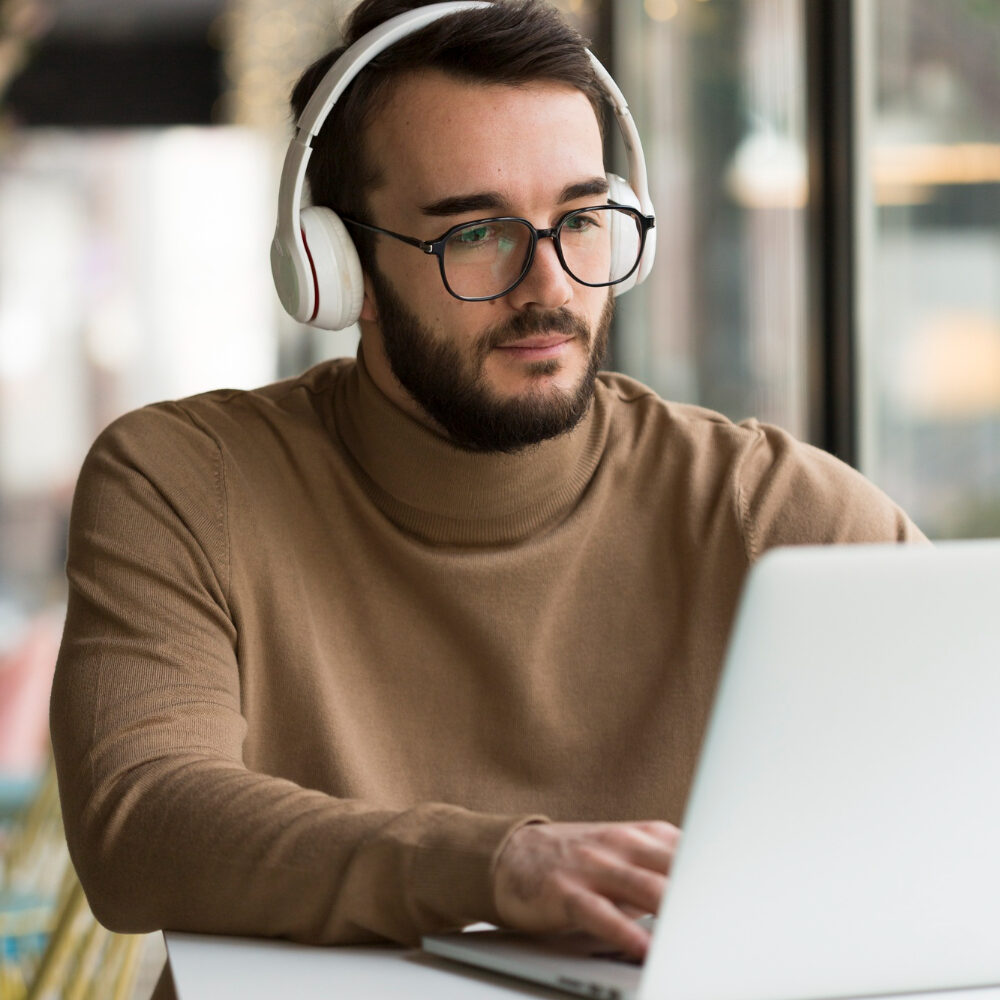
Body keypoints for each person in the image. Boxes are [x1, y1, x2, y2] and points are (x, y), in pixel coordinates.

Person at [49, 1, 925, 997]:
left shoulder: (770, 509)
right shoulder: (182, 478)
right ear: (337, 270)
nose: (546, 284)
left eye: (582, 220)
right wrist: (499, 865)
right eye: (475, 232)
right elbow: (140, 821)